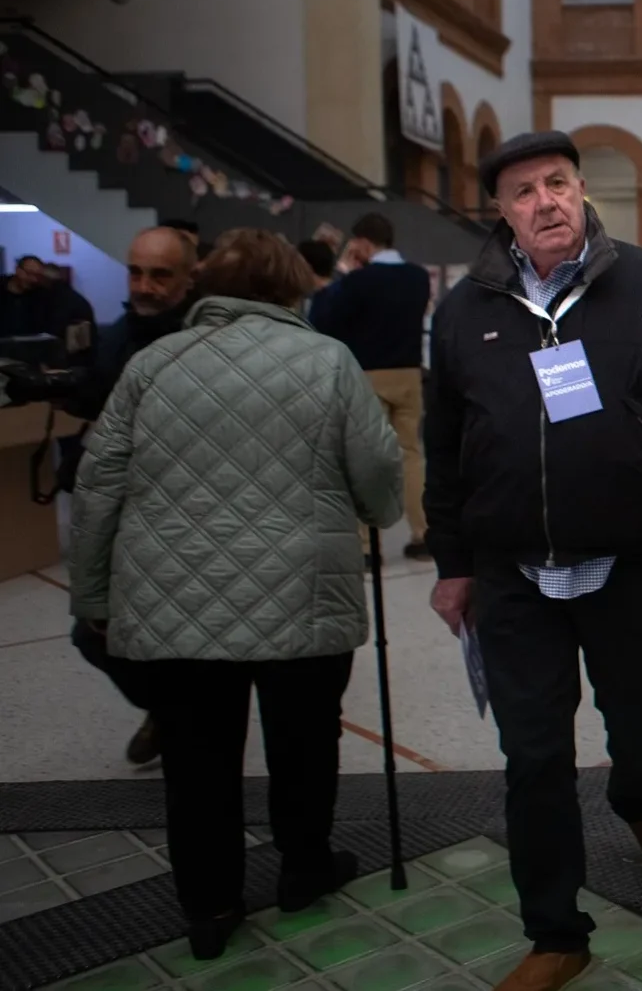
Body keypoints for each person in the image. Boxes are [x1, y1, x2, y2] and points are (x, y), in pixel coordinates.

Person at [422, 131, 642, 991]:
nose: (544, 202)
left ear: (581, 188)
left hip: (625, 558)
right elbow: (442, 449)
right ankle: (556, 930)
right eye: (522, 192)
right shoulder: (465, 312)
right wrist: (453, 562)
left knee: (639, 709)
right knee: (533, 756)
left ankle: (639, 797)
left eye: (556, 183)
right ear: (501, 212)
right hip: (510, 572)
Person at [67, 228, 403, 961]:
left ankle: (210, 905)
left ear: (203, 288)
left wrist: (91, 597)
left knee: (196, 757)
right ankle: (303, 867)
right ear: (292, 290)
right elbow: (379, 477)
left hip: (172, 597)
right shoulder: (327, 361)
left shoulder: (152, 365)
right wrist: (381, 512)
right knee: (305, 740)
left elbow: (97, 486)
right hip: (303, 592)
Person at [62, 225, 199, 767]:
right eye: (137, 272)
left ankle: (183, 716)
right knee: (92, 634)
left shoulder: (199, 339)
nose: (145, 286)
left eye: (161, 275)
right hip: (120, 513)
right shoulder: (118, 333)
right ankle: (168, 711)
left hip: (187, 511)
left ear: (191, 279)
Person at [311, 214, 432, 560]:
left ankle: (366, 546)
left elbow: (325, 318)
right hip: (409, 375)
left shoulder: (359, 280)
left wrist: (345, 275)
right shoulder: (418, 277)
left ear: (362, 243)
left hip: (368, 376)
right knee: (410, 454)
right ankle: (423, 533)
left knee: (365, 457)